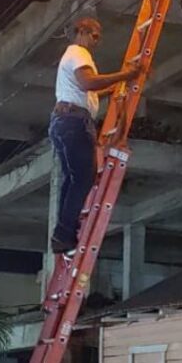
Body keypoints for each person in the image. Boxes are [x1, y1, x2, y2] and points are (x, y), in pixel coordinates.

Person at [48, 17, 139, 255]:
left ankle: (63, 233)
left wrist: (116, 86)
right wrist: (124, 76)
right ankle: (64, 234)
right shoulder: (78, 52)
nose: (97, 42)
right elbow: (88, 82)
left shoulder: (72, 56)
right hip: (74, 122)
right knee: (84, 178)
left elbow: (88, 88)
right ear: (82, 32)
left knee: (73, 179)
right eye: (95, 36)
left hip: (65, 121)